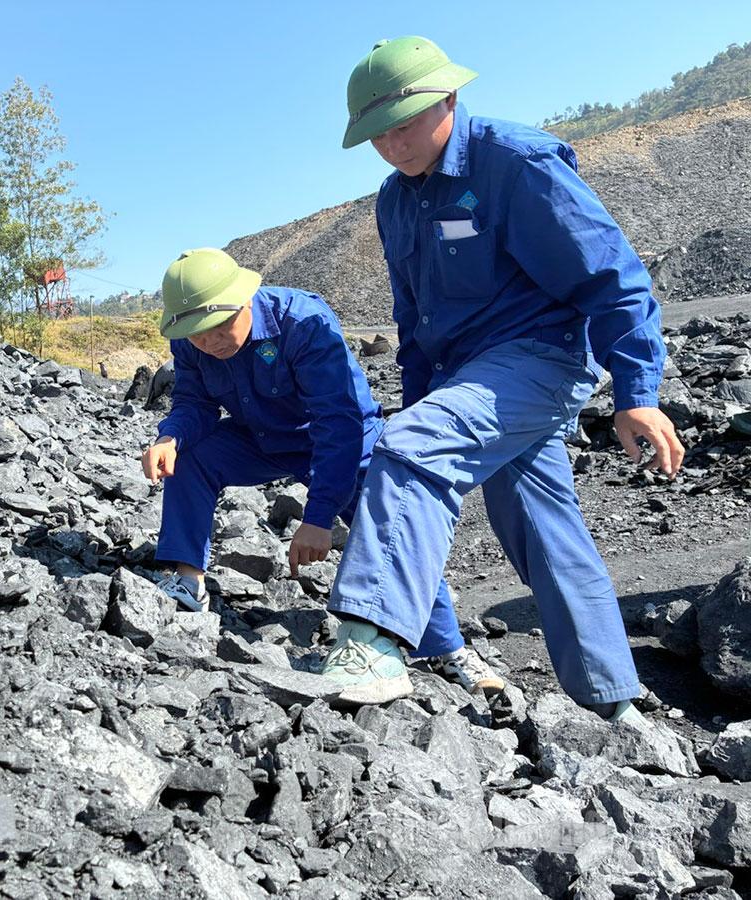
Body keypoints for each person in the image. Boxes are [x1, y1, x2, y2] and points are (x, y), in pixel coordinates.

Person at [322, 36, 685, 720]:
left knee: (404, 449)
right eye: (377, 135)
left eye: (404, 125)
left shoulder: (515, 164)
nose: (393, 145)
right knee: (544, 530)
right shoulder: (396, 202)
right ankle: (615, 707)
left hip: (541, 356)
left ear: (449, 99)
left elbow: (613, 279)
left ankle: (372, 644)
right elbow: (416, 323)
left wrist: (638, 395)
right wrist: (427, 401)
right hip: (471, 376)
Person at [142, 247, 503, 697]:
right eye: (197, 335)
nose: (209, 342)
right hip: (260, 436)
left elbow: (339, 421)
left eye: (219, 328)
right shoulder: (189, 337)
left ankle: (447, 649)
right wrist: (169, 437)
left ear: (243, 300)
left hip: (342, 440)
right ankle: (187, 580)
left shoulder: (302, 322)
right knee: (190, 456)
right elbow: (194, 403)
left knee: (389, 531)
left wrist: (318, 519)